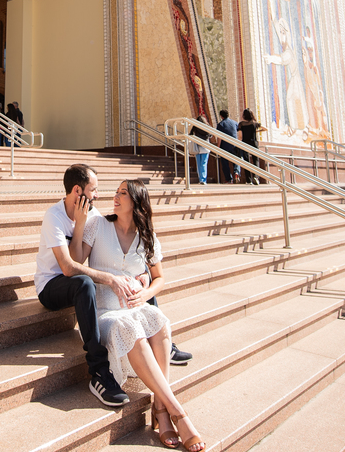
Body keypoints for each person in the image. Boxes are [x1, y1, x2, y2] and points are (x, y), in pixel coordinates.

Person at [70, 179, 207, 451]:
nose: (116, 196)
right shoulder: (98, 225)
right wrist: (80, 223)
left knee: (159, 322)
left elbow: (159, 278)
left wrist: (146, 295)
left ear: (136, 202)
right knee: (132, 330)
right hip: (107, 313)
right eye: (116, 191)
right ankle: (176, 412)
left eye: (123, 193)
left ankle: (161, 408)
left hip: (136, 307)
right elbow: (75, 260)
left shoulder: (147, 236)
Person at [34, 164, 136, 408]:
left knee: (132, 273)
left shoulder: (92, 213)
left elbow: (110, 240)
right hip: (51, 286)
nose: (97, 195)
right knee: (85, 283)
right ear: (77, 191)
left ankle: (162, 339)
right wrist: (108, 278)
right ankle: (99, 370)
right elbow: (68, 267)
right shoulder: (54, 217)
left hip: (78, 282)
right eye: (93, 190)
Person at [238, 109, 262, 184]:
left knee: (246, 161)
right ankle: (256, 177)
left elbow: (240, 136)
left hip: (245, 143)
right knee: (255, 160)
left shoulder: (241, 124)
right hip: (254, 143)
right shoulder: (254, 123)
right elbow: (265, 128)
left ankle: (248, 180)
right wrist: (257, 131)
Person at [216, 109, 240, 184]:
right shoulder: (234, 123)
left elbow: (219, 137)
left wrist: (218, 146)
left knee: (225, 163)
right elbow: (238, 132)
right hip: (234, 145)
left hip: (224, 146)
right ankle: (236, 172)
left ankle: (228, 179)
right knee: (236, 160)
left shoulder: (220, 124)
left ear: (221, 116)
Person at [189, 117, 213, 184]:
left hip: (197, 147)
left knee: (199, 164)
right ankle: (203, 179)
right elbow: (211, 135)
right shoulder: (207, 126)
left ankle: (201, 179)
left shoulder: (195, 126)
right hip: (205, 147)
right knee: (204, 164)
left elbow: (190, 134)